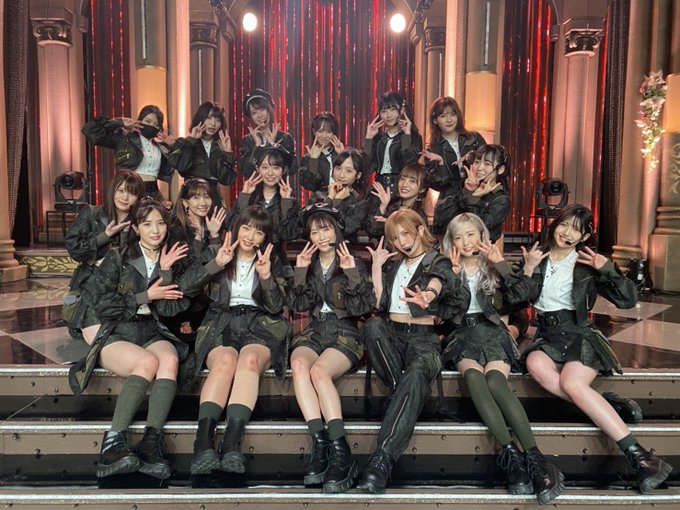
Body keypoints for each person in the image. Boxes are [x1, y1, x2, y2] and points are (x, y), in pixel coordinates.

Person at [521, 204, 673, 494]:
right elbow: (515, 298)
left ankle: (642, 457)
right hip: (547, 337)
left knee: (571, 383)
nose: (568, 233)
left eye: (576, 230)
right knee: (535, 365)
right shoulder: (537, 258)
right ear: (555, 225)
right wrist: (527, 270)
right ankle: (609, 405)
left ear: (584, 236)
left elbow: (628, 301)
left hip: (580, 335)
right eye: (564, 225)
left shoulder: (586, 264)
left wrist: (609, 270)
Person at [441, 213, 564, 504]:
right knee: (474, 378)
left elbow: (523, 296)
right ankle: (512, 457)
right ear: (451, 242)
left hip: (494, 333)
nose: (465, 242)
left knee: (495, 382)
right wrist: (452, 278)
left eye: (471, 234)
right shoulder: (445, 268)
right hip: (463, 336)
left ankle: (534, 458)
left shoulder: (495, 265)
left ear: (482, 236)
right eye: (458, 237)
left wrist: (501, 264)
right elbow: (444, 312)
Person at [69, 199, 190, 481]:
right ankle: (112, 443)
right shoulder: (118, 255)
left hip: (149, 329)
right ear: (136, 228)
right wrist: (145, 296)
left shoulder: (172, 257)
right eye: (147, 224)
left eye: (160, 223)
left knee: (170, 359)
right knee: (147, 362)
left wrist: (166, 271)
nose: (155, 230)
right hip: (116, 330)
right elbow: (102, 302)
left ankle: (150, 443)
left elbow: (173, 307)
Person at [179, 205, 290, 477]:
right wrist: (217, 263)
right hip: (222, 322)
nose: (251, 236)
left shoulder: (273, 259)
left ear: (266, 237)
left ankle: (231, 444)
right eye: (246, 228)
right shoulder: (217, 251)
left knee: (249, 361)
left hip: (260, 324)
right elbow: (185, 287)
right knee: (226, 361)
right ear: (236, 228)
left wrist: (266, 277)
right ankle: (203, 444)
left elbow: (276, 307)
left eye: (259, 232)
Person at [359, 209, 455, 493]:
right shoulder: (394, 265)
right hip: (394, 333)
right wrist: (376, 269)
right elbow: (379, 305)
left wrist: (429, 294)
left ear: (419, 229)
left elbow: (440, 279)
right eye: (395, 237)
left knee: (415, 373)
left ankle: (382, 459)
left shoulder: (436, 260)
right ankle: (399, 392)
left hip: (424, 340)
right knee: (373, 326)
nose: (402, 241)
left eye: (405, 233)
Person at [288, 203, 375, 493]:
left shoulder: (352, 261)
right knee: (299, 364)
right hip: (316, 330)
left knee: (319, 372)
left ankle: (341, 452)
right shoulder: (310, 263)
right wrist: (300, 271)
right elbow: (299, 304)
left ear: (337, 230)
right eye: (314, 232)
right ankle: (320, 445)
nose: (321, 237)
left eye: (325, 229)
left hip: (344, 332)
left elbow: (363, 307)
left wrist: (352, 274)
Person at [63, 171, 144, 343]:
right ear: (112, 190)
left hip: (124, 287)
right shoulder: (92, 213)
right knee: (98, 336)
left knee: (127, 335)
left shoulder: (141, 222)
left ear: (138, 197)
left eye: (131, 193)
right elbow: (75, 250)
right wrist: (104, 236)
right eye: (120, 190)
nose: (125, 197)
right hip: (91, 285)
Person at [164, 178, 227, 337]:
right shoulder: (176, 231)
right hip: (183, 301)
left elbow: (220, 266)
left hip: (207, 296)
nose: (203, 202)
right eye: (196, 197)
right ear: (185, 202)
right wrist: (198, 238)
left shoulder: (213, 225)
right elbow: (191, 274)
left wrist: (214, 235)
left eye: (207, 196)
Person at [226, 144, 300, 273]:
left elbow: (288, 234)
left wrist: (285, 202)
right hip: (246, 258)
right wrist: (245, 195)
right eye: (265, 167)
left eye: (276, 168)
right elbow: (232, 227)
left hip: (277, 263)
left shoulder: (291, 201)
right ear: (257, 168)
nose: (270, 173)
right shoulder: (248, 196)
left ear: (283, 170)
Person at [82, 105, 175, 200]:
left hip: (154, 193)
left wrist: (173, 146)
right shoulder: (126, 139)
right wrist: (120, 122)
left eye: (156, 124)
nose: (151, 126)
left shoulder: (161, 148)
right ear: (140, 121)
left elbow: (179, 166)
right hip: (131, 190)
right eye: (148, 121)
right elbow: (90, 130)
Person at [433, 144, 511, 240]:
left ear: (500, 169)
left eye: (487, 164)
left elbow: (476, 227)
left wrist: (474, 198)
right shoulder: (464, 186)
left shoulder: (501, 200)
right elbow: (441, 222)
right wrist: (467, 191)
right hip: (451, 244)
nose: (479, 168)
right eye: (477, 162)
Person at [169, 102, 236, 208]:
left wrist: (227, 153)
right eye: (208, 118)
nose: (213, 124)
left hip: (213, 198)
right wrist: (192, 140)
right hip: (192, 196)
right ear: (200, 119)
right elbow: (182, 167)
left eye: (218, 120)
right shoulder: (185, 143)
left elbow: (227, 180)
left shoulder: (220, 146)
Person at [419, 96, 486, 200]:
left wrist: (472, 155)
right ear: (435, 120)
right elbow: (438, 186)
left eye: (453, 114)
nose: (449, 120)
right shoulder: (433, 150)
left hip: (478, 195)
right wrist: (441, 164)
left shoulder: (474, 138)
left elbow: (490, 164)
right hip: (450, 201)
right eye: (443, 116)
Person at [364, 92, 422, 194]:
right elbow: (366, 166)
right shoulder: (379, 138)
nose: (388, 115)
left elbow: (409, 166)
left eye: (393, 109)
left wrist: (406, 136)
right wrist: (368, 138)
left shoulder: (413, 137)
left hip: (400, 188)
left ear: (402, 110)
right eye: (384, 111)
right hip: (378, 187)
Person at [238, 88, 297, 178]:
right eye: (254, 113)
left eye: (262, 109)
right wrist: (257, 147)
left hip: (278, 186)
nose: (259, 115)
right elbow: (246, 171)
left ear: (269, 109)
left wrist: (273, 146)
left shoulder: (285, 138)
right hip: (255, 187)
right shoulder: (248, 140)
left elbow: (292, 168)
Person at [314, 148, 370, 243]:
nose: (341, 175)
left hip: (347, 248)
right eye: (338, 168)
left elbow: (346, 229)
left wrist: (337, 201)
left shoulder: (360, 202)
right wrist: (330, 197)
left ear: (358, 175)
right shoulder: (318, 194)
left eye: (348, 171)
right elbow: (316, 225)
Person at [366, 163, 430, 241]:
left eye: (412, 181)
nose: (404, 184)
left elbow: (418, 242)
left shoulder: (419, 216)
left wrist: (392, 223)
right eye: (402, 179)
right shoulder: (392, 205)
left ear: (422, 189)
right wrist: (383, 206)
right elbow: (373, 231)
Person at [300, 112, 345, 193]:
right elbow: (310, 185)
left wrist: (342, 155)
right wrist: (313, 160)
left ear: (333, 133)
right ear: (314, 131)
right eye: (320, 131)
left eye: (328, 132)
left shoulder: (340, 153)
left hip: (343, 198)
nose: (324, 136)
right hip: (320, 199)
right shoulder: (307, 158)